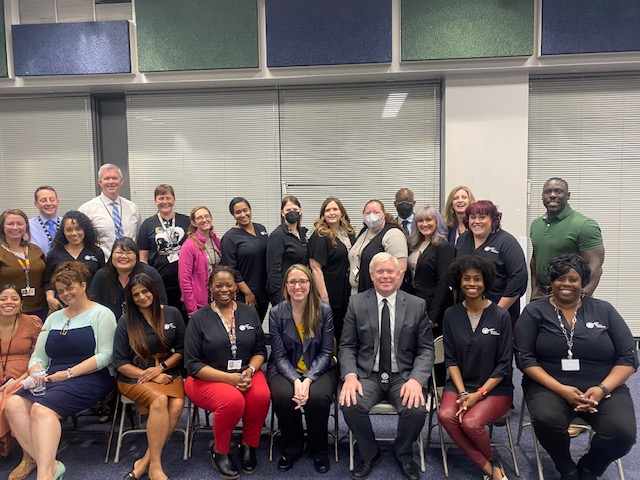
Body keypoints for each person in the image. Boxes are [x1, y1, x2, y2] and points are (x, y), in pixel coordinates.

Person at [514, 254, 637, 480]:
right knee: (547, 421)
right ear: (551, 283)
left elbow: (628, 358)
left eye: (573, 279)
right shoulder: (534, 312)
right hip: (549, 385)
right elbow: (524, 359)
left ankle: (589, 469)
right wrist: (562, 390)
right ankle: (567, 469)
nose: (566, 284)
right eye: (560, 279)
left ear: (582, 282)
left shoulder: (604, 310)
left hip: (602, 386)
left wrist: (601, 389)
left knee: (623, 433)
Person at [6, 261, 117, 480]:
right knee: (13, 404)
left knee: (41, 410)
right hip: (52, 375)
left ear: (83, 285)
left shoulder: (102, 314)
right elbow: (39, 356)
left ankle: (45, 474)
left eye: (70, 288)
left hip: (90, 376)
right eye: (61, 290)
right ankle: (46, 463)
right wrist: (36, 369)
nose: (66, 294)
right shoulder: (54, 317)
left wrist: (68, 374)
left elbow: (106, 356)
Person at [339, 253, 434, 480]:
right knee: (350, 403)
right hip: (367, 374)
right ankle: (370, 453)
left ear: (399, 274)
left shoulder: (416, 305)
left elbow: (426, 350)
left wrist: (415, 380)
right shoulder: (357, 303)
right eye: (380, 272)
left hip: (403, 375)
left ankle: (404, 454)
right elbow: (347, 346)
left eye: (390, 271)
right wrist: (350, 376)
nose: (385, 276)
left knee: (416, 408)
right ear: (371, 276)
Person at [184, 265, 270, 479]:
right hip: (207, 377)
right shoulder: (198, 319)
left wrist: (250, 370)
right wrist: (230, 379)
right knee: (232, 401)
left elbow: (260, 351)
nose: (224, 289)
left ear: (235, 288)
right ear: (210, 288)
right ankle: (220, 451)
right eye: (218, 285)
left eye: (229, 285)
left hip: (244, 372)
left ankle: (248, 444)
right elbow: (192, 365)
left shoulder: (249, 312)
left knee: (261, 395)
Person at [438, 256, 513, 480]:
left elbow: (504, 364)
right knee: (446, 415)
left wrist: (479, 394)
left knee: (471, 423)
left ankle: (488, 464)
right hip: (460, 384)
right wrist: (462, 393)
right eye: (467, 279)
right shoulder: (451, 315)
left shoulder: (501, 316)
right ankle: (489, 465)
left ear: (486, 282)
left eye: (477, 279)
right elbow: (450, 359)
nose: (472, 284)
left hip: (494, 387)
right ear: (459, 282)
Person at [113, 273, 185, 480]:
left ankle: (144, 461)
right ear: (131, 298)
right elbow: (119, 363)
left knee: (178, 405)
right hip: (134, 375)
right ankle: (155, 466)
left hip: (167, 369)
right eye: (136, 294)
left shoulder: (172, 313)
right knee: (160, 400)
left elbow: (181, 350)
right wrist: (151, 376)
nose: (142, 297)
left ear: (153, 290)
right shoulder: (126, 321)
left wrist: (160, 368)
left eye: (145, 291)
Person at [267, 264, 338, 474]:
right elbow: (278, 355)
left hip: (321, 367)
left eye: (303, 281)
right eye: (292, 282)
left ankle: (319, 449)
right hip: (285, 367)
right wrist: (296, 380)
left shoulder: (323, 310)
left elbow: (326, 352)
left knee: (317, 398)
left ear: (310, 284)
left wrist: (307, 379)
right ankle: (292, 447)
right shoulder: (277, 313)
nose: (298, 286)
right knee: (282, 395)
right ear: (286, 286)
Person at [530, 177, 604, 300]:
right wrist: (535, 290)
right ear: (542, 196)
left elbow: (595, 265)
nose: (552, 195)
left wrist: (583, 295)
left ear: (568, 195)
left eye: (558, 191)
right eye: (547, 192)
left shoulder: (584, 225)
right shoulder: (536, 224)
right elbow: (535, 260)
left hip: (569, 295)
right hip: (541, 294)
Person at [455, 200, 527, 324]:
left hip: (500, 313)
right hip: (467, 312)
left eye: (482, 217)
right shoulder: (463, 240)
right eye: (473, 217)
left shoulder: (507, 242)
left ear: (493, 220)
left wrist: (497, 312)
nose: (477, 221)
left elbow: (518, 279)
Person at [0, 285, 41, 479]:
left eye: (14, 299)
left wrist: (22, 379)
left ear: (21, 304)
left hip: (25, 375)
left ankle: (29, 458)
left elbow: (40, 356)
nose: (9, 303)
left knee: (11, 403)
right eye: (3, 298)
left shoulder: (32, 323)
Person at [137, 184, 190, 317]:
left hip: (184, 281)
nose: (165, 202)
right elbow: (142, 257)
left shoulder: (186, 221)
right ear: (156, 201)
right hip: (159, 281)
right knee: (164, 317)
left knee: (185, 318)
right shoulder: (148, 224)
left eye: (168, 198)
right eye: (161, 198)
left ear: (174, 200)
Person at [309, 197, 355, 344]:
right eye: (327, 210)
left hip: (348, 291)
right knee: (332, 334)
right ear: (323, 214)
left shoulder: (349, 233)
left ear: (342, 212)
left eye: (335, 209)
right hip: (331, 293)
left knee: (347, 332)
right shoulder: (320, 235)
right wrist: (324, 298)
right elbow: (315, 268)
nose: (331, 213)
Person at [89, 237, 167, 320]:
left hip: (145, 324)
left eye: (129, 253)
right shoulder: (102, 275)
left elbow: (161, 304)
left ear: (137, 256)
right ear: (112, 255)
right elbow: (93, 305)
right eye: (119, 252)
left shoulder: (150, 273)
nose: (123, 256)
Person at [44, 210, 106, 313]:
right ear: (63, 232)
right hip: (63, 307)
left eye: (78, 229)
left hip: (92, 307)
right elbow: (48, 281)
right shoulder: (54, 254)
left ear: (85, 230)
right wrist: (50, 298)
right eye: (69, 230)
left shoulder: (96, 252)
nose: (74, 233)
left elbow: (102, 279)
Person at [407, 206, 454, 337]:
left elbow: (443, 282)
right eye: (420, 221)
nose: (424, 224)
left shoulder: (443, 246)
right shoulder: (414, 244)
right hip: (416, 303)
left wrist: (433, 315)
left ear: (437, 222)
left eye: (429, 220)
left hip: (434, 307)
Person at [221, 197, 269, 321]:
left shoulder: (261, 228)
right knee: (246, 330)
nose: (243, 215)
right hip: (245, 294)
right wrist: (248, 293)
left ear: (250, 210)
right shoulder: (229, 238)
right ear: (233, 215)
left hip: (264, 291)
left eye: (245, 210)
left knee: (258, 328)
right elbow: (231, 270)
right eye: (238, 212)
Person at [78, 163, 141, 258]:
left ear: (121, 181)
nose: (111, 182)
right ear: (100, 182)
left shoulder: (132, 208)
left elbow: (138, 237)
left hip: (130, 264)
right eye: (106, 178)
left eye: (115, 178)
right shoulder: (87, 209)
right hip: (103, 265)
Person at [348, 200, 408, 295]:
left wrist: (388, 297)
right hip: (357, 293)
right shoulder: (364, 231)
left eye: (376, 212)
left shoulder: (393, 234)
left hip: (378, 296)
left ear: (383, 214)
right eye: (368, 213)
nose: (371, 216)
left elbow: (401, 269)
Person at [0, 209, 47, 320]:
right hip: (8, 312)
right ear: (2, 227)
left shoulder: (35, 250)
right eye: (10, 224)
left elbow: (46, 278)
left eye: (19, 224)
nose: (15, 228)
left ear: (26, 226)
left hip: (40, 310)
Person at [178, 206, 222, 318]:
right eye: (199, 218)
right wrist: (192, 310)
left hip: (216, 298)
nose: (204, 220)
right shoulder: (189, 246)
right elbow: (184, 280)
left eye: (206, 216)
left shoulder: (216, 241)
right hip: (198, 303)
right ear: (193, 222)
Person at [266, 196, 309, 305]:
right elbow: (273, 269)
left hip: (300, 291)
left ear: (300, 211)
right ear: (282, 213)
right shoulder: (278, 236)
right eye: (288, 210)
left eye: (295, 210)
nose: (292, 212)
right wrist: (280, 296)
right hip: (285, 294)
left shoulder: (302, 234)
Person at [28, 186, 61, 256]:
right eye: (43, 200)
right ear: (36, 204)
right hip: (39, 265)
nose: (49, 203)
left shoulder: (67, 223)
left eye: (52, 200)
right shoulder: (28, 225)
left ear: (58, 202)